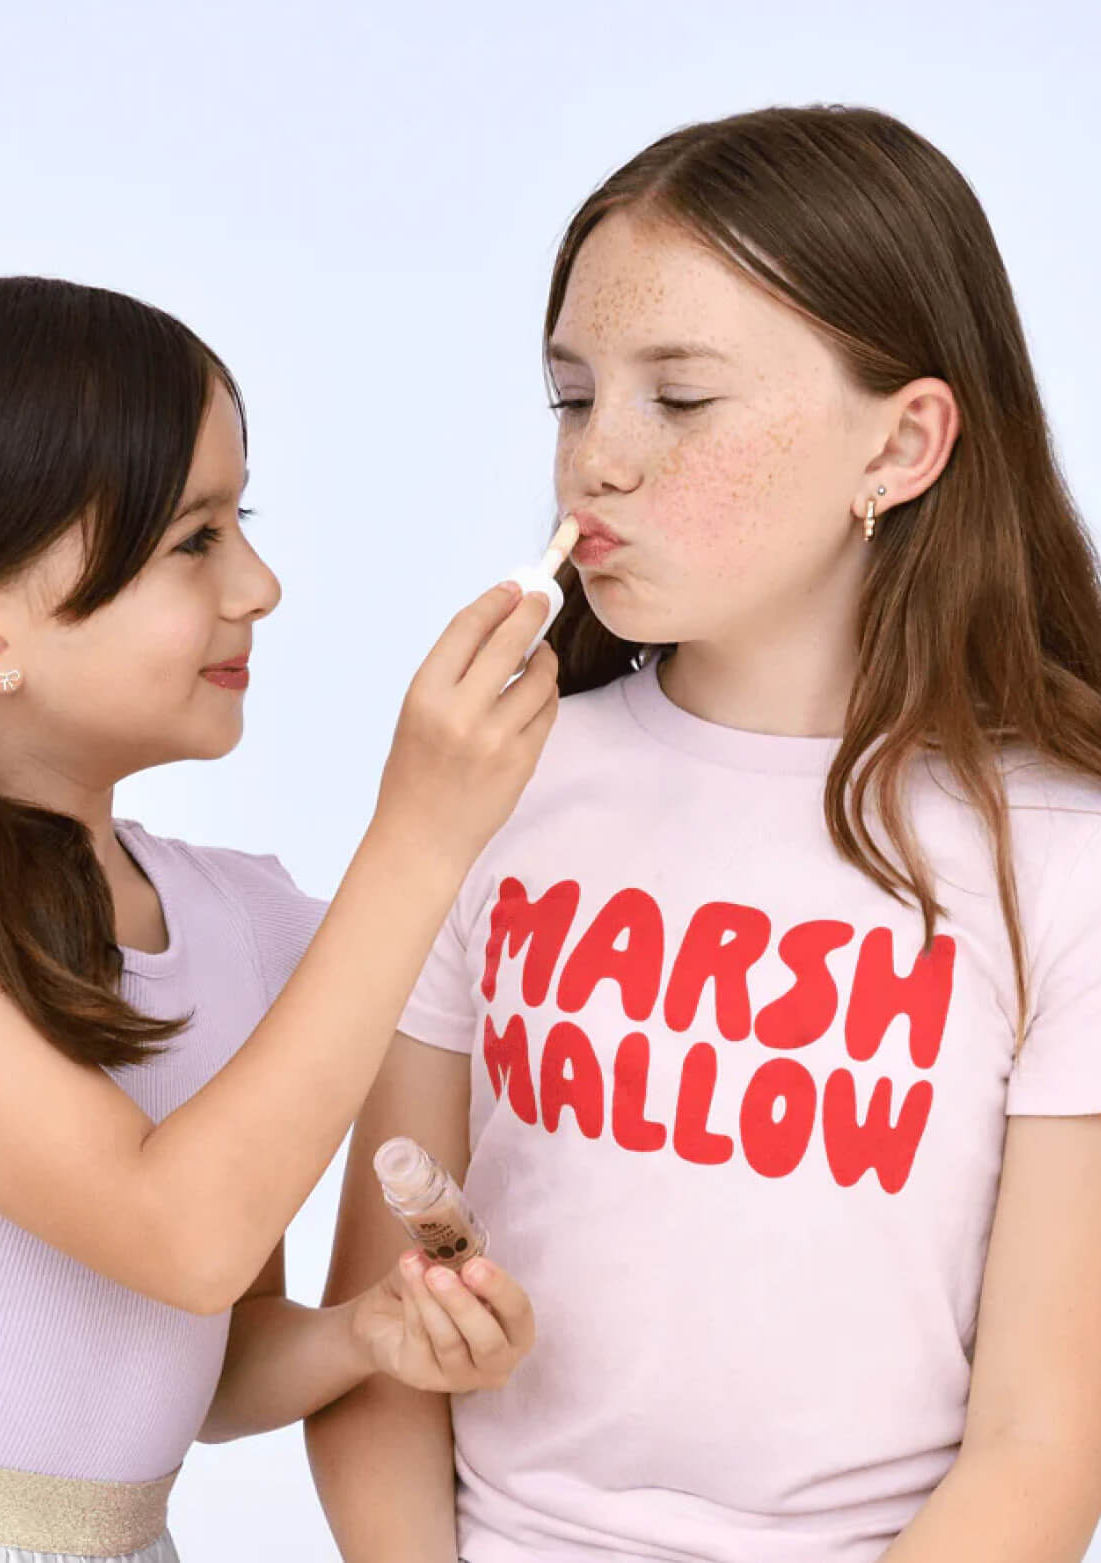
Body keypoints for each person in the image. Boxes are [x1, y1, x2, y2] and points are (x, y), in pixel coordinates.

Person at [306, 105, 1101, 1563]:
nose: (594, 463)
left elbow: (1043, 1448)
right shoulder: (488, 790)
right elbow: (373, 1347)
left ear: (903, 443)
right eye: (571, 397)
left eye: (678, 400)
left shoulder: (1057, 853)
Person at [0, 274, 548, 1562]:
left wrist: (364, 1337)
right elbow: (178, 1234)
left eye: (244, 521)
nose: (260, 585)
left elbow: (203, 1356)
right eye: (194, 541)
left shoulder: (243, 925)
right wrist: (419, 834)